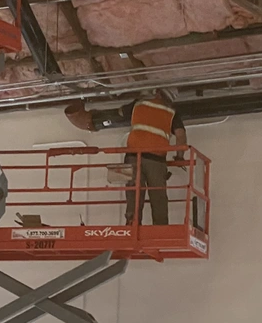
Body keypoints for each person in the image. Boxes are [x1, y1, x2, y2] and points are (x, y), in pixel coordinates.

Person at [65, 91, 187, 227]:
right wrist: (179, 157)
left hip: (133, 157)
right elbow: (181, 136)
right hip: (156, 160)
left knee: (133, 192)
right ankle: (161, 226)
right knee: (158, 195)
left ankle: (132, 223)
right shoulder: (172, 112)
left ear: (157, 93)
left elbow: (121, 113)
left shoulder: (139, 103)